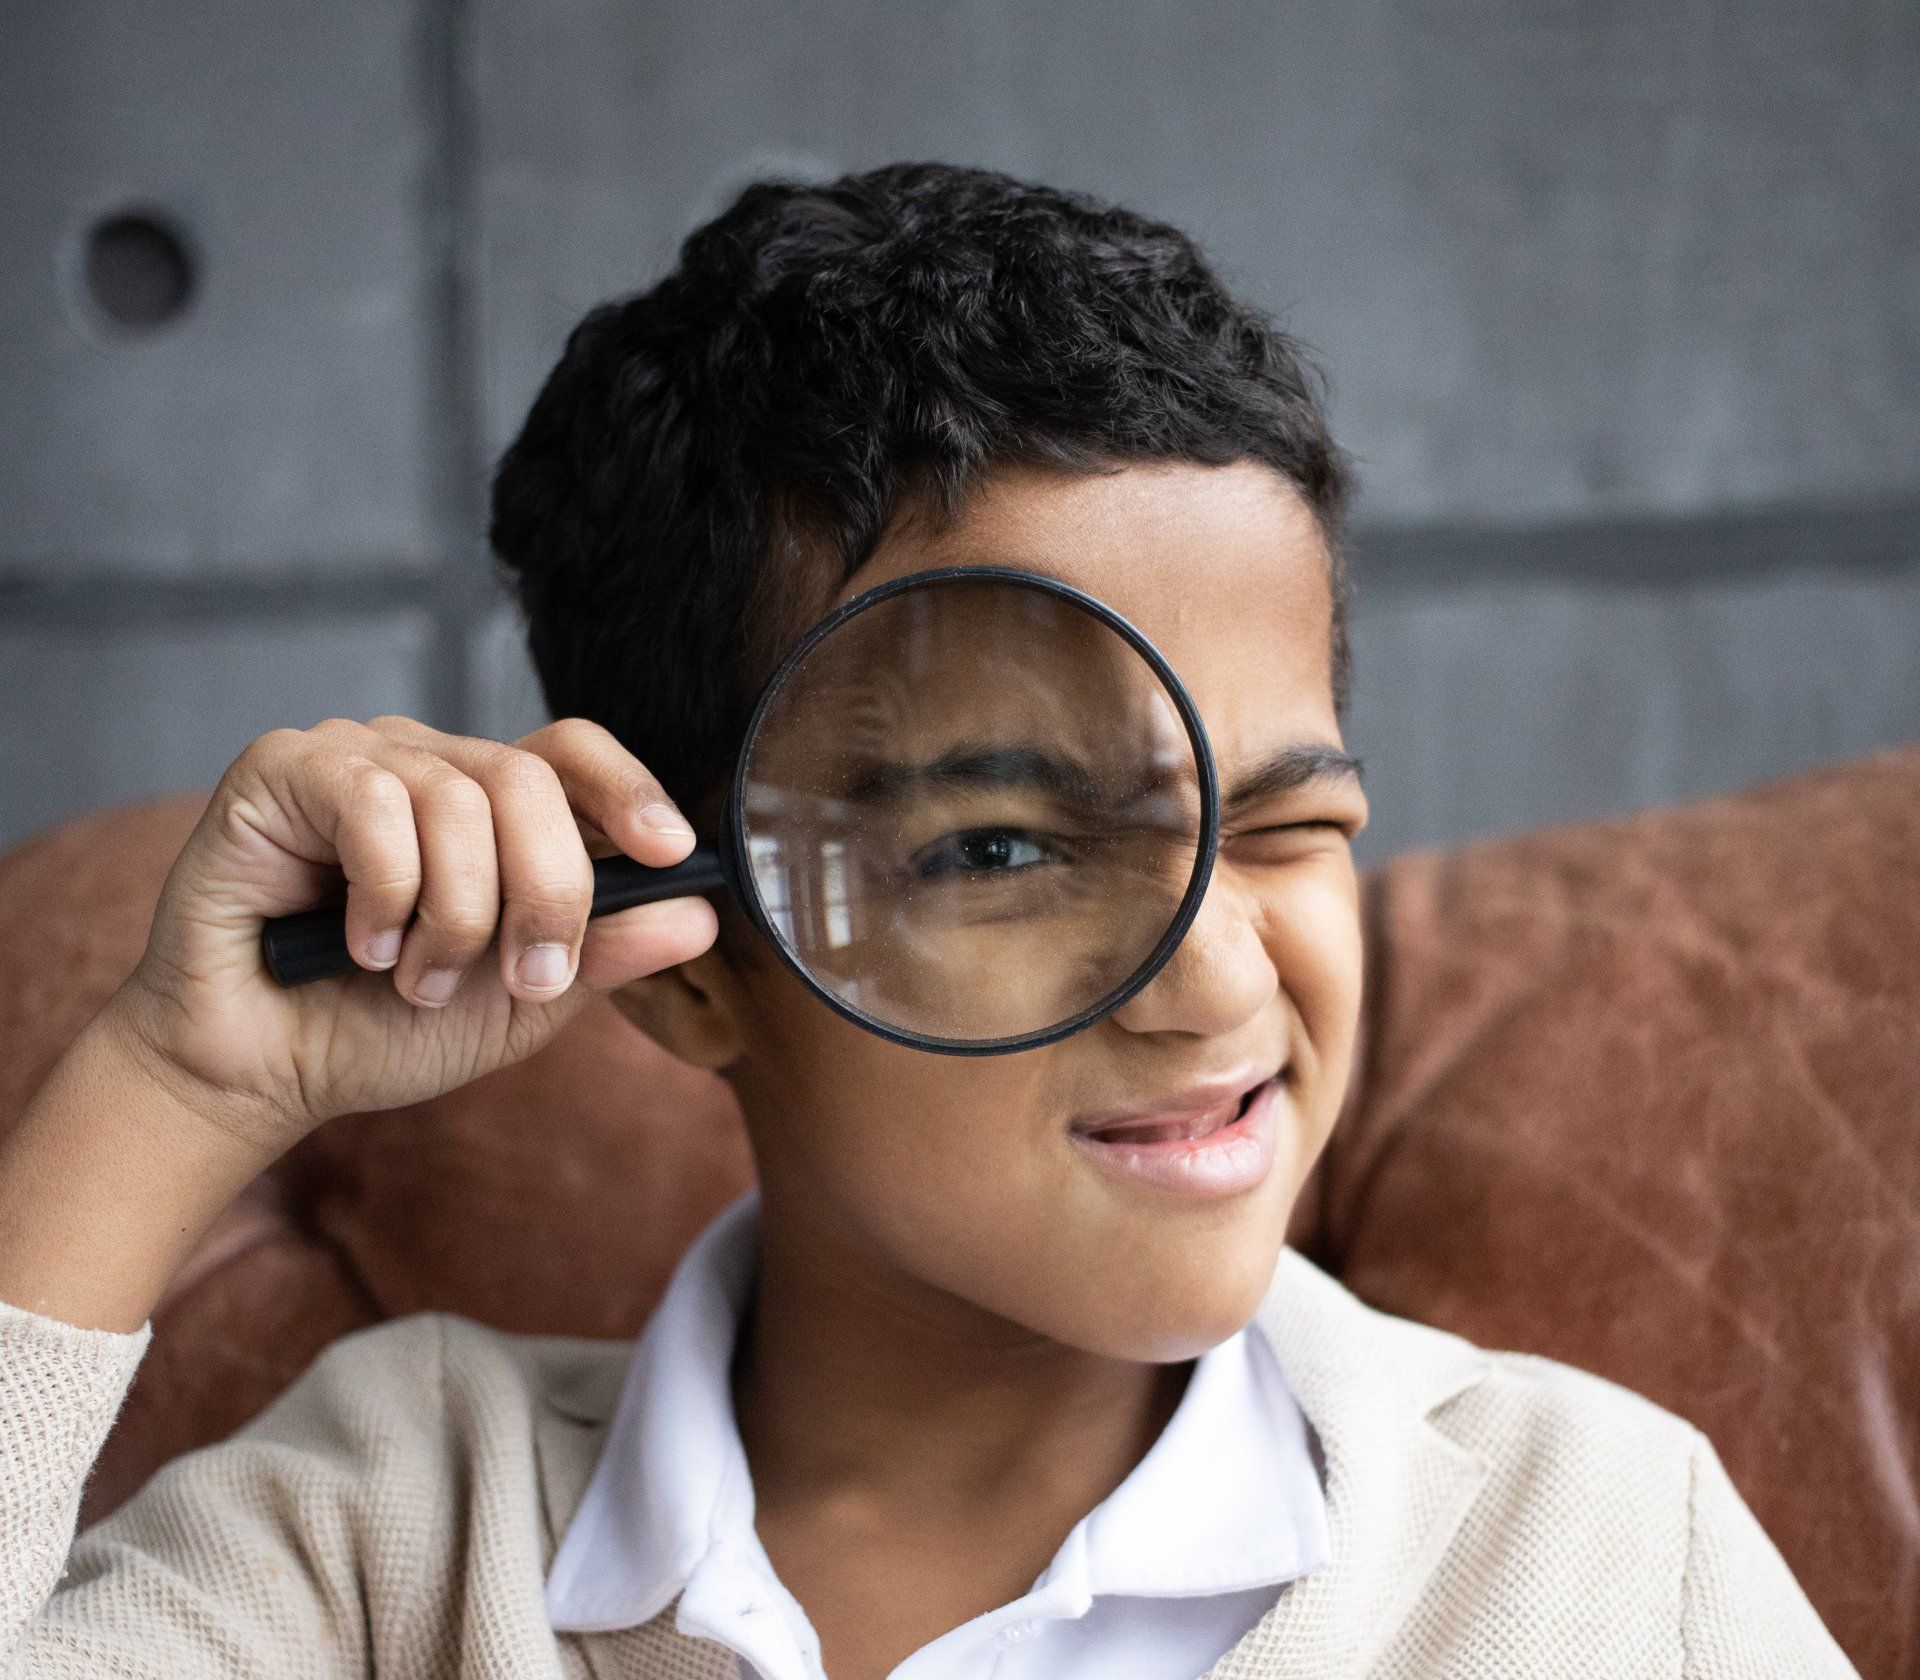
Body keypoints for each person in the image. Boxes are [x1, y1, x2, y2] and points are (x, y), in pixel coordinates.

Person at [0, 162, 1855, 1679]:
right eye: (998, 852)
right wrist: (167, 1090)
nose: (1216, 978)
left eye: (1286, 827)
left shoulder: (1599, 1553)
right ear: (692, 949)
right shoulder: (389, 1533)